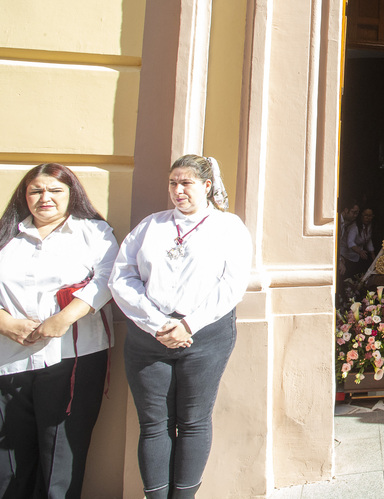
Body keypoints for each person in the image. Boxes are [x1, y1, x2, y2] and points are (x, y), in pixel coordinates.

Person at [110, 155, 253, 498]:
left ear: (206, 186)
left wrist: (188, 324)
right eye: (173, 183)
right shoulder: (151, 226)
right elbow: (121, 276)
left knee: (193, 421)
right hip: (150, 336)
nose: (178, 190)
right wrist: (157, 322)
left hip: (206, 337)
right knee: (154, 423)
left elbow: (232, 285)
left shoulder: (228, 227)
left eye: (186, 183)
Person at [0, 163, 118, 498]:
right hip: (9, 359)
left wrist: (63, 319)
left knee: (60, 459)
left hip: (72, 358)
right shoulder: (7, 235)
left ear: (72, 194)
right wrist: (5, 322)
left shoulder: (93, 232)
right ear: (25, 196)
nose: (45, 198)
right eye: (36, 190)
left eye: (55, 190)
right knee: (9, 460)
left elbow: (108, 279)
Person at [342, 207, 375, 275]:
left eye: (370, 216)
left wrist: (373, 256)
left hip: (357, 256)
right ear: (361, 215)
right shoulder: (354, 227)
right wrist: (360, 251)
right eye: (366, 215)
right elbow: (350, 242)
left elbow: (368, 240)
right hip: (346, 255)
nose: (368, 218)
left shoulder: (369, 226)